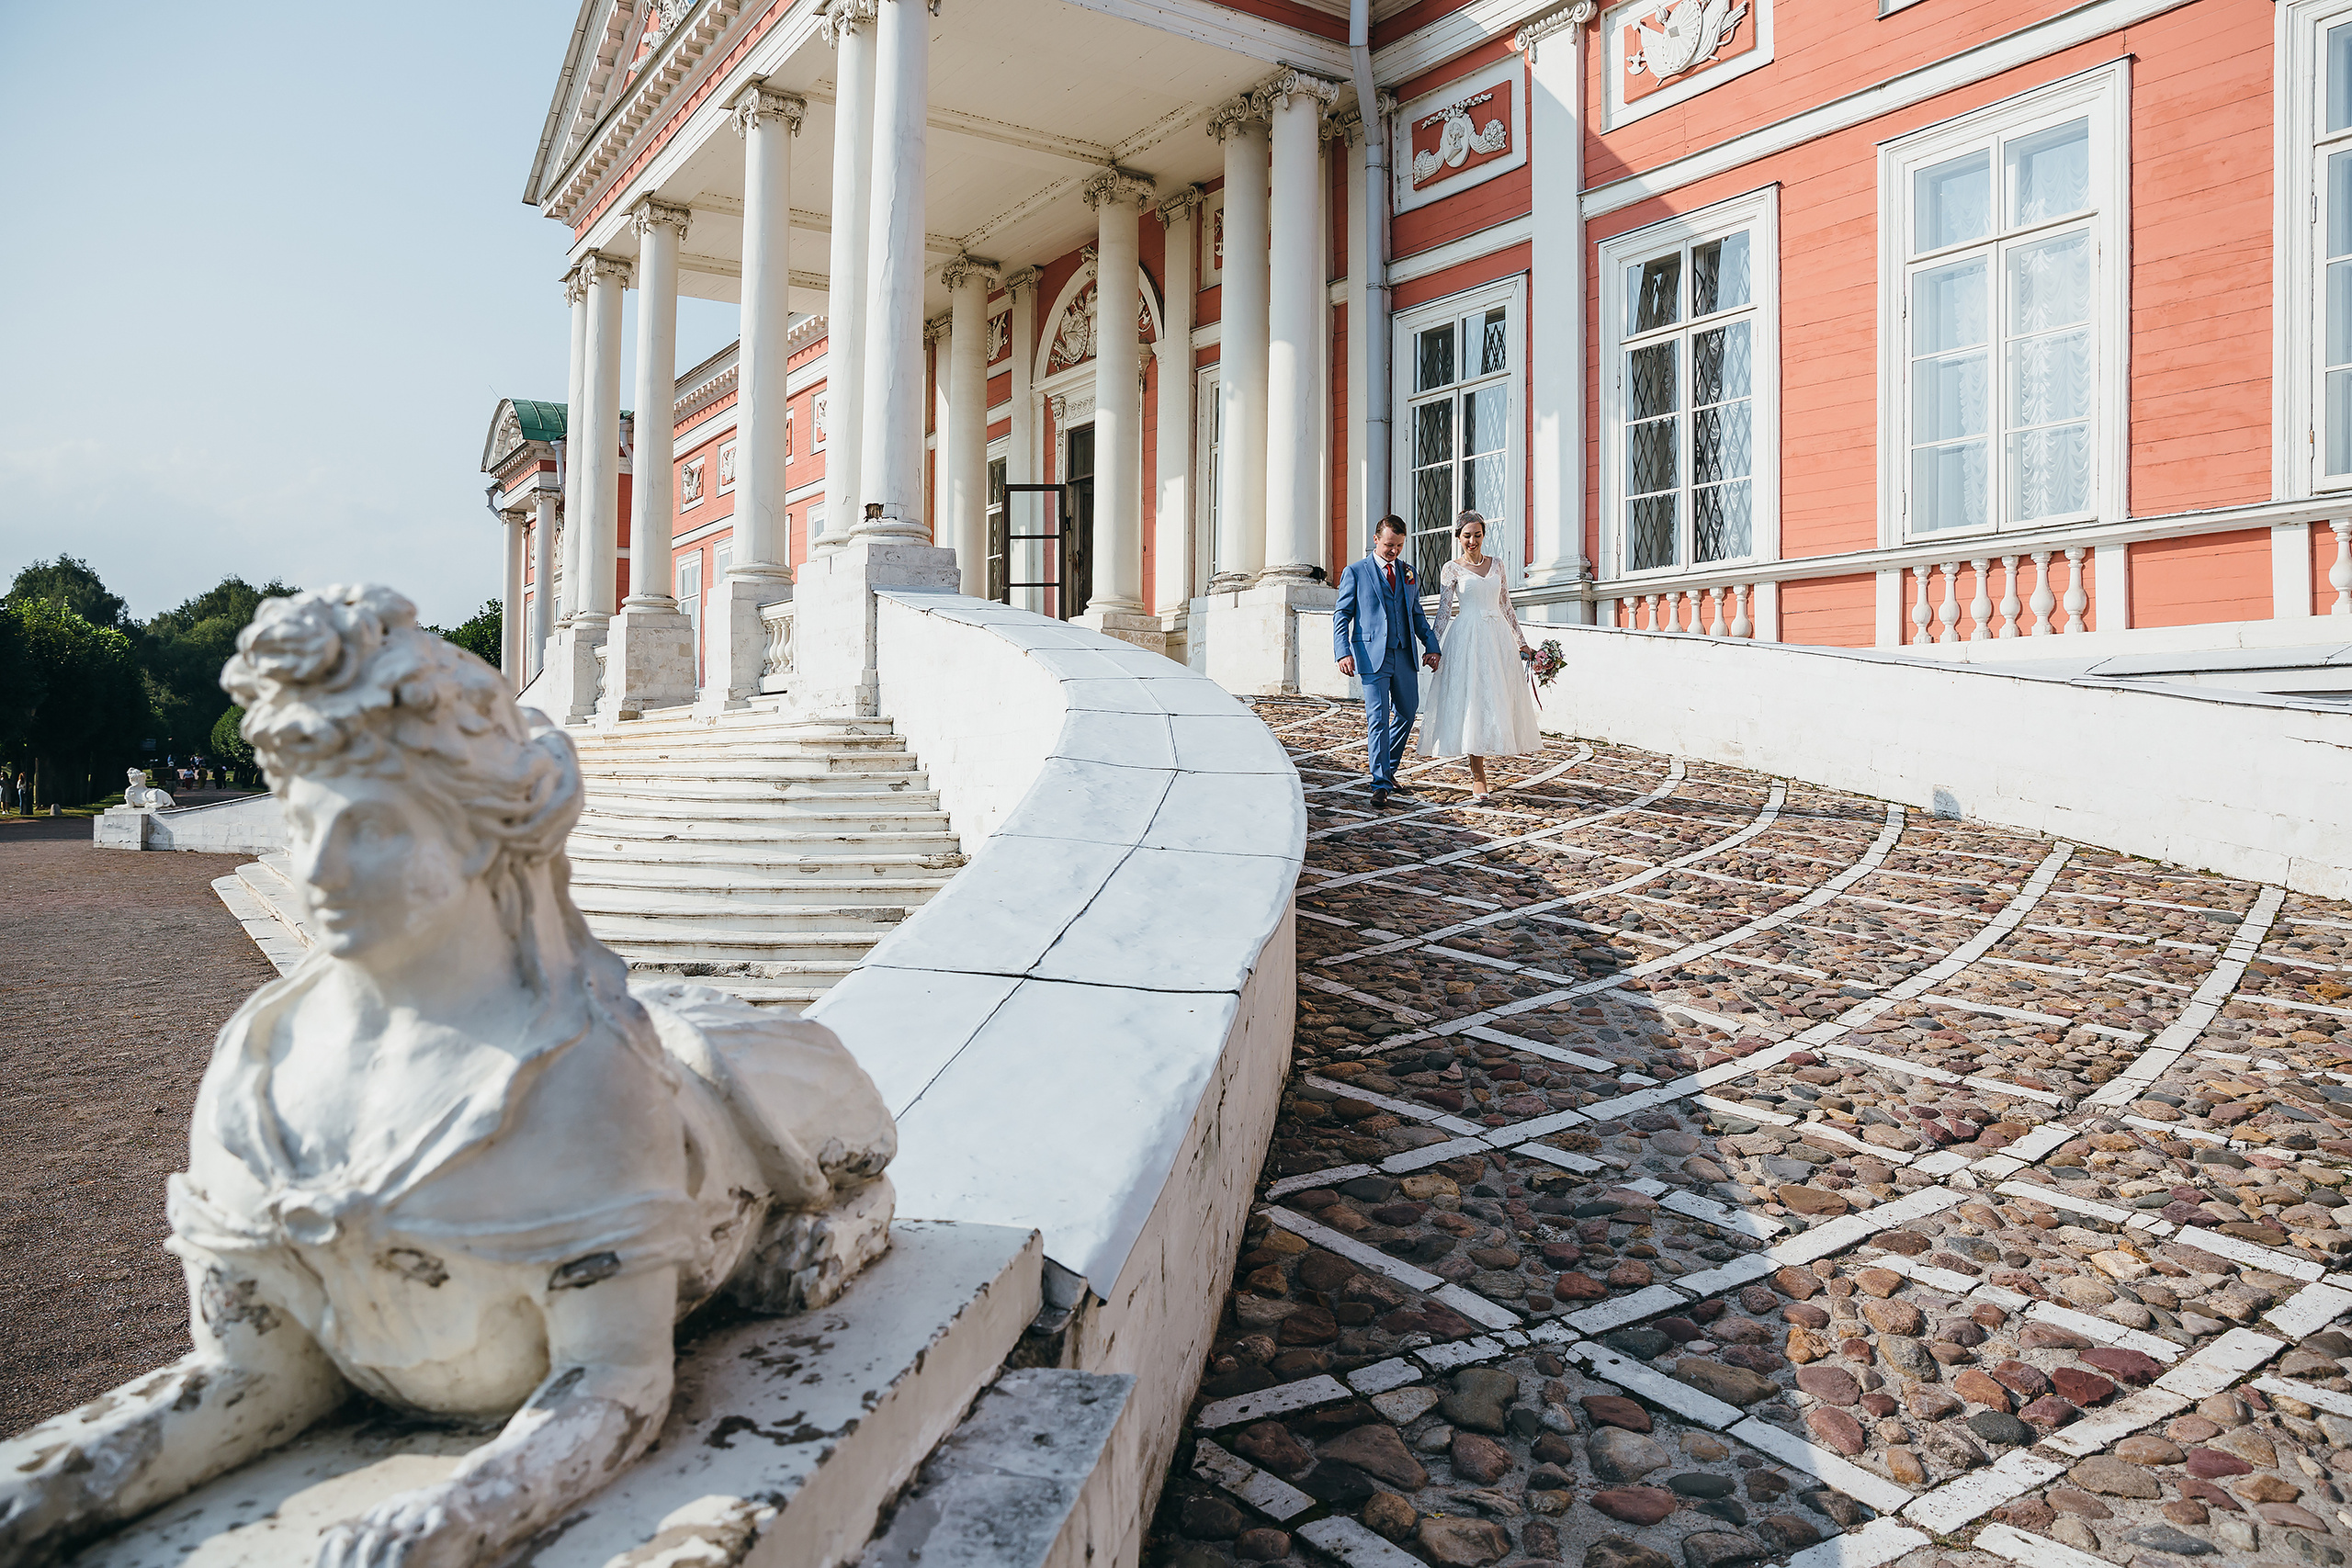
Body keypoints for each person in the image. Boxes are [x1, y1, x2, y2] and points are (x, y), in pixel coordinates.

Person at [1417, 510, 1542, 802]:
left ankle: (1490, 753)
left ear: (1484, 535)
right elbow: (1445, 612)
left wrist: (1521, 643)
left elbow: (1507, 606)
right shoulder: (1451, 569)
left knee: (1494, 698)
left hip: (1497, 636)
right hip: (1467, 637)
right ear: (1458, 538)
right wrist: (1433, 646)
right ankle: (1478, 776)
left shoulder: (1497, 564)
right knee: (1472, 698)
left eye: (1477, 535)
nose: (1472, 541)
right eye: (1467, 536)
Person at [1333, 515, 1442, 808]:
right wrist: (1343, 652)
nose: (1394, 551)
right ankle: (1380, 783)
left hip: (1403, 653)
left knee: (1407, 713)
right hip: (1371, 656)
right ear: (1376, 540)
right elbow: (1342, 615)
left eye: (1400, 546)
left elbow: (1417, 614)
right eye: (1390, 544)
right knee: (1378, 719)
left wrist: (1432, 646)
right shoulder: (1355, 572)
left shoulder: (1409, 573)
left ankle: (1388, 769)